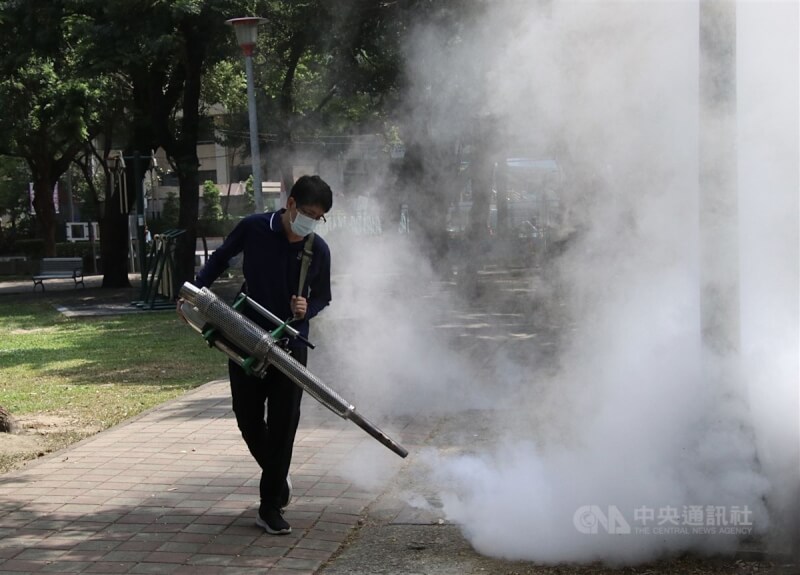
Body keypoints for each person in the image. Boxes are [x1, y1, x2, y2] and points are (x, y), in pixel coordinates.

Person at [188, 175, 333, 535]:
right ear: (291, 204)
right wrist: (195, 290)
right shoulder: (255, 228)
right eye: (309, 213)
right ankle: (277, 477)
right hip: (245, 337)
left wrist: (306, 308)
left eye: (320, 217)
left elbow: (323, 296)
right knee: (247, 417)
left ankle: (269, 506)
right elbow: (221, 258)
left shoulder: (319, 250)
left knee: (285, 424)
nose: (311, 222)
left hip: (291, 345)